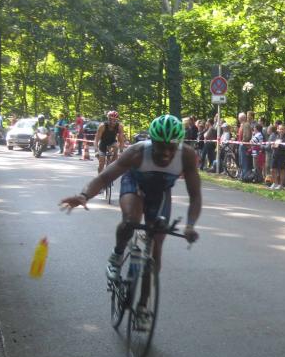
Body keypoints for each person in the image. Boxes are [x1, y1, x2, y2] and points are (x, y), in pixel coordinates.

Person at [60, 114, 201, 286]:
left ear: (179, 144)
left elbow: (195, 195)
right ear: (152, 141)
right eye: (160, 146)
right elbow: (104, 178)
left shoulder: (187, 155)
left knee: (158, 241)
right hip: (135, 183)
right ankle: (117, 255)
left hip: (160, 191)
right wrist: (84, 195)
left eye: (171, 147)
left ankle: (147, 296)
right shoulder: (137, 152)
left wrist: (190, 225)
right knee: (131, 220)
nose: (166, 152)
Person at [269, 123, 285, 190]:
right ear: (277, 129)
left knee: (282, 170)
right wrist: (272, 146)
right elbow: (273, 144)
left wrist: (280, 145)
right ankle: (275, 183)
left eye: (282, 129)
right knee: (273, 169)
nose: (281, 130)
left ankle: (281, 185)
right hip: (275, 155)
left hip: (283, 156)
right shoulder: (276, 136)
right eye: (280, 129)